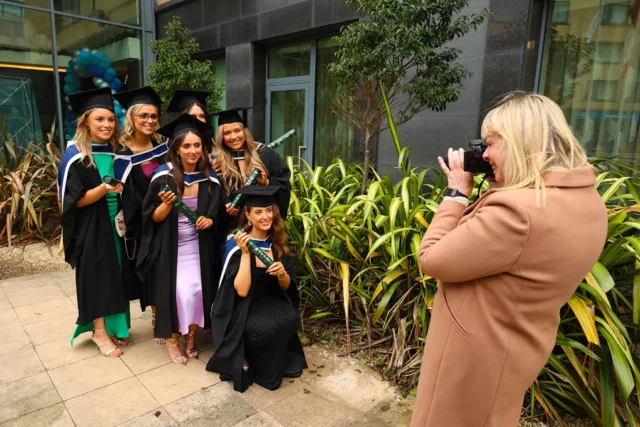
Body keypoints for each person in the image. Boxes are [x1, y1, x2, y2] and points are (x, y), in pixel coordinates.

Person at [410, 92, 608, 427]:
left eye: (490, 143)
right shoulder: (588, 200)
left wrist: (457, 194)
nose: (484, 154)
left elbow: (432, 258)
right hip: (517, 346)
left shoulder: (517, 211)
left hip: (475, 358)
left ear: (519, 141)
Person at [137, 113, 220, 365]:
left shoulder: (209, 177)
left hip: (199, 245)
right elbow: (152, 218)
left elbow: (216, 211)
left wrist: (210, 220)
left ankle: (191, 337)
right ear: (176, 148)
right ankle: (173, 340)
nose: (192, 150)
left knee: (198, 290)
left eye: (197, 145)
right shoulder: (164, 176)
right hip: (171, 247)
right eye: (186, 146)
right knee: (179, 292)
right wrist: (164, 205)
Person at [206, 185, 307, 392]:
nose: (265, 216)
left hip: (269, 299)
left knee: (288, 317)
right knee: (266, 326)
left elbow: (287, 287)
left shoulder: (277, 243)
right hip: (242, 306)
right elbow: (241, 291)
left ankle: (269, 362)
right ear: (247, 215)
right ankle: (248, 357)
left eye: (269, 210)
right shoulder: (236, 244)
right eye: (258, 212)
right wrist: (245, 254)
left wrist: (282, 274)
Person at [58, 87, 129, 357]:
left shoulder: (116, 151)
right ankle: (99, 332)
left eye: (111, 120)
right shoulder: (76, 155)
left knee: (116, 277)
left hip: (115, 224)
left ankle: (116, 327)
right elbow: (74, 201)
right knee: (97, 278)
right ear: (86, 121)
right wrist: (105, 189)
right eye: (100, 119)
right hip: (90, 226)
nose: (107, 125)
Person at [113, 86, 168, 344]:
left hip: (172, 215)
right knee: (154, 271)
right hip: (145, 222)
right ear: (132, 118)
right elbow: (128, 197)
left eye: (153, 116)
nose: (149, 121)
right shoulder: (122, 155)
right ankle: (159, 317)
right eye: (143, 116)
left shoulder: (164, 145)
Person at [210, 107, 291, 247]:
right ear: (221, 137)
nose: (234, 136)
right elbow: (212, 197)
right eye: (227, 133)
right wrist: (226, 206)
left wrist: (267, 182)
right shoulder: (218, 163)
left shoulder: (265, 155)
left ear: (244, 132)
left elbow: (284, 185)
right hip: (233, 232)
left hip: (264, 229)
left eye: (237, 130)